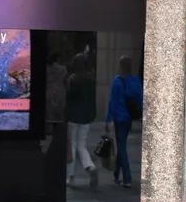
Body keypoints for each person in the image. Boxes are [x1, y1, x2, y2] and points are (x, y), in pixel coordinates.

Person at [106, 55, 143, 188]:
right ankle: (116, 173)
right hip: (129, 119)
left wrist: (108, 119)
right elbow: (141, 99)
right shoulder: (136, 81)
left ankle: (127, 178)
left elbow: (113, 102)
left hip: (119, 118)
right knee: (121, 143)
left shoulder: (117, 81)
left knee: (121, 146)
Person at [65, 53, 98, 188]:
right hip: (86, 117)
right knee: (81, 145)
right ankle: (90, 167)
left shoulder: (73, 79)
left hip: (73, 117)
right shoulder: (91, 79)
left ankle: (71, 176)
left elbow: (68, 98)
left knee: (72, 145)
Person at [45, 52, 67, 123]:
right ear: (57, 59)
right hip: (60, 91)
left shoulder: (47, 70)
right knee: (60, 113)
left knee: (50, 113)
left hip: (49, 91)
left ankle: (50, 127)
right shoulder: (63, 69)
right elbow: (65, 80)